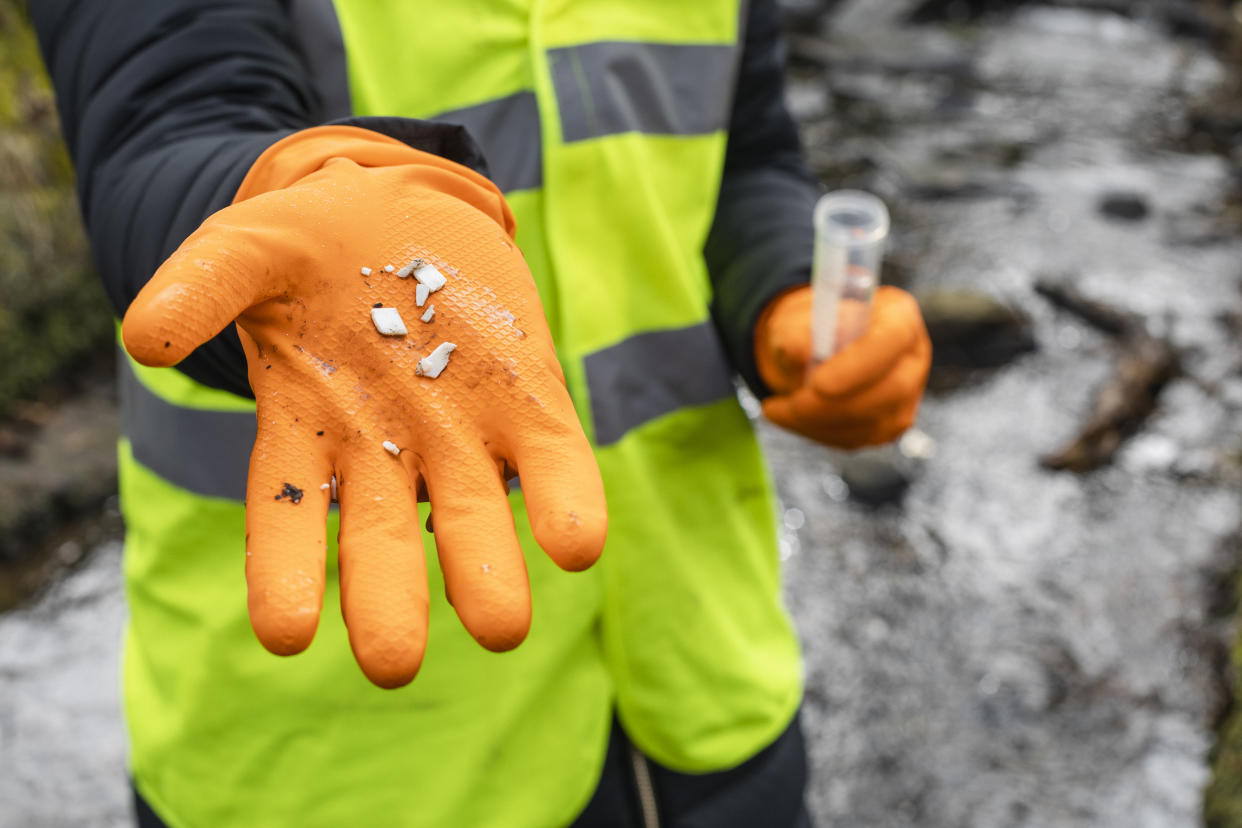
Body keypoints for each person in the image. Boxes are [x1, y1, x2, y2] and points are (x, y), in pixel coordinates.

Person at [32, 1, 930, 825]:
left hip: (710, 675)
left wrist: (777, 293)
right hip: (343, 755)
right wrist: (289, 191)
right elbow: (162, 117)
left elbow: (747, 153)